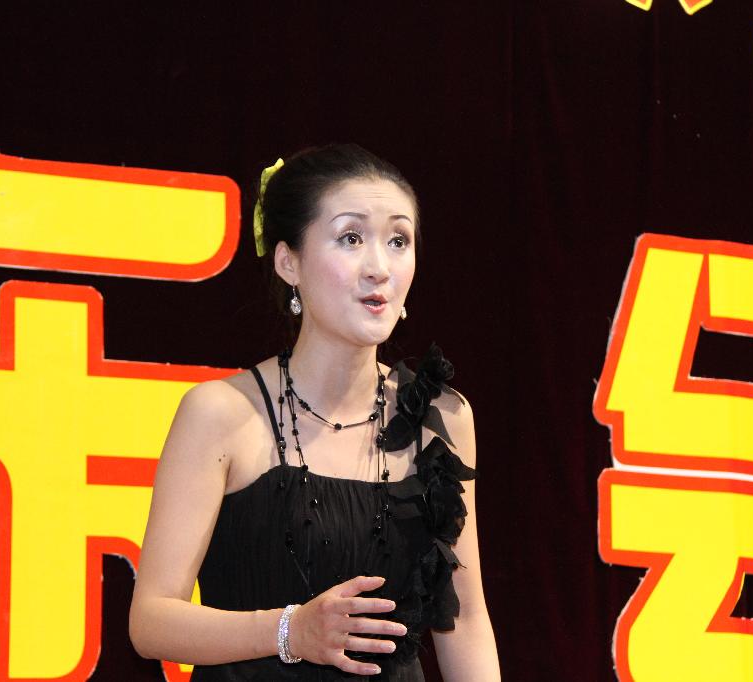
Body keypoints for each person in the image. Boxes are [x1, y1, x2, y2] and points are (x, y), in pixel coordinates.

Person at [129, 144, 500, 680]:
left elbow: (463, 620)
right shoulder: (220, 413)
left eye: (398, 240)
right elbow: (152, 621)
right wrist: (290, 630)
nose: (379, 268)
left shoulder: (441, 417)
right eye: (351, 238)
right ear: (289, 262)